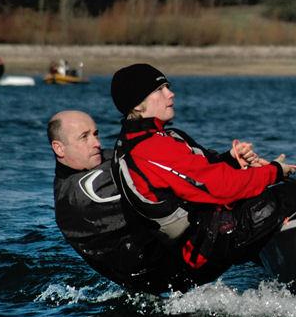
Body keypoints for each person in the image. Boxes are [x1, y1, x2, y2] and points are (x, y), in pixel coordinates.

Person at [110, 63, 296, 284]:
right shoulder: (151, 147)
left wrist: (231, 160)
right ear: (139, 104)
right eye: (160, 90)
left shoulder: (147, 139)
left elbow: (198, 175)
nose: (171, 94)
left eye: (167, 86)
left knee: (284, 197)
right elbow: (221, 188)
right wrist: (274, 171)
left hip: (207, 235)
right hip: (203, 245)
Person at [49, 110, 201, 293]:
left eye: (96, 134)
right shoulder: (82, 192)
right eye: (84, 137)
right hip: (168, 280)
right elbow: (157, 174)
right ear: (59, 148)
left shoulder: (96, 161)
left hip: (172, 273)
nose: (96, 143)